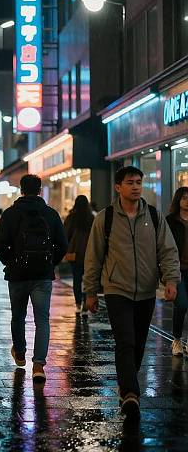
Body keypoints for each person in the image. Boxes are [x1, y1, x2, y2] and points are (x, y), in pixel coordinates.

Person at [84, 166, 179, 421]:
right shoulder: (106, 218)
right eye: (130, 183)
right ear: (118, 187)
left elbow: (168, 251)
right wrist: (90, 291)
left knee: (137, 344)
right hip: (117, 289)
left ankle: (127, 386)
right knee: (125, 341)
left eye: (139, 182)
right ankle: (130, 393)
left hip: (147, 291)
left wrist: (171, 280)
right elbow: (93, 257)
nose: (136, 187)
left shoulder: (155, 217)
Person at [0, 174, 67, 383]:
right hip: (42, 275)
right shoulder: (50, 214)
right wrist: (50, 263)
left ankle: (19, 352)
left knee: (18, 315)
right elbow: (62, 245)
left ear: (21, 190)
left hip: (17, 275)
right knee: (42, 319)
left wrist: (11, 262)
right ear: (40, 189)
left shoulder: (10, 214)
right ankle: (38, 365)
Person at [166, 187, 188, 357]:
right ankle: (177, 339)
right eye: (184, 198)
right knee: (181, 304)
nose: (187, 201)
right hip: (177, 271)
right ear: (178, 201)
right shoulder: (170, 221)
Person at [63, 195, 94, 315]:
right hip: (89, 254)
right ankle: (86, 305)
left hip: (75, 254)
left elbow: (66, 235)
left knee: (76, 279)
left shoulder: (71, 218)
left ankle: (78, 304)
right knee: (87, 280)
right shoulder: (91, 218)